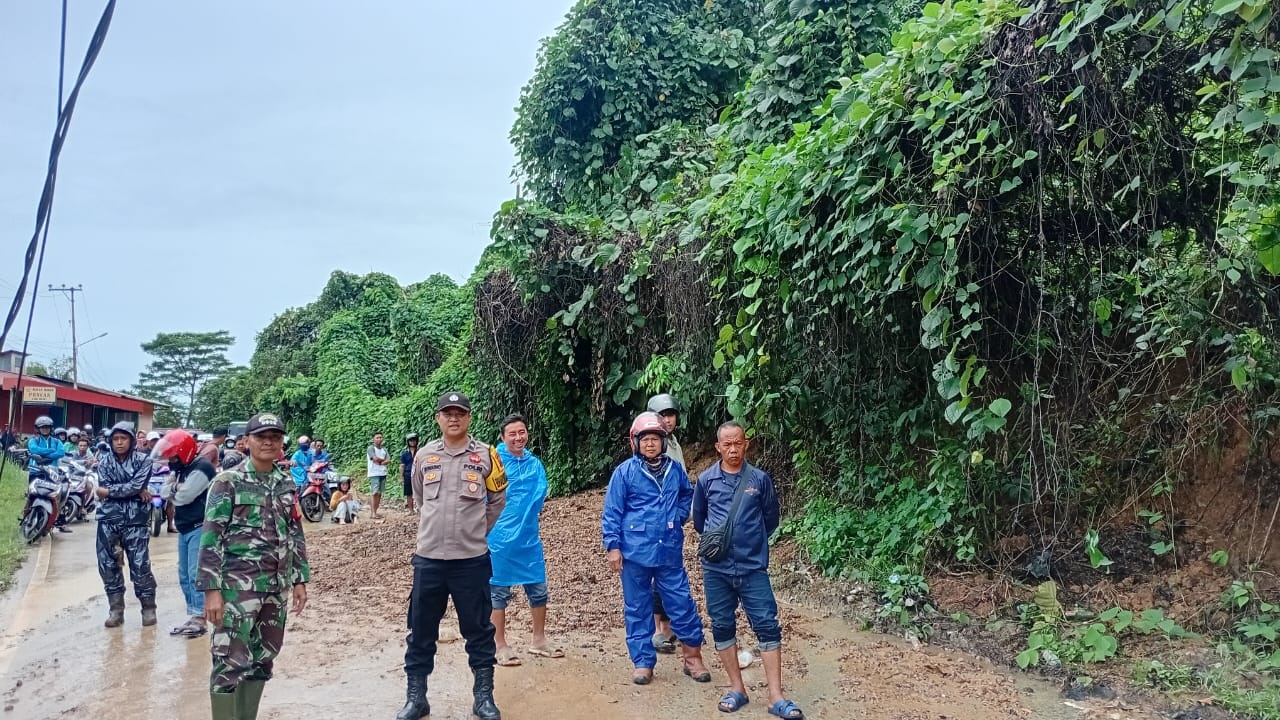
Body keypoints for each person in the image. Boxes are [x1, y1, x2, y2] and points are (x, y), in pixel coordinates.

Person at [397, 392, 507, 720]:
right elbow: (420, 498)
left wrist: (475, 531)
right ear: (438, 418)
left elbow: (497, 499)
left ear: (469, 418)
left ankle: (483, 697)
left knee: (479, 630)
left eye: (460, 413)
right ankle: (416, 698)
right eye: (448, 413)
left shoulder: (487, 454)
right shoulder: (424, 456)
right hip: (429, 559)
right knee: (421, 630)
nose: (454, 418)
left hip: (471, 560)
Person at [198, 412, 309, 720]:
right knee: (229, 661)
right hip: (236, 590)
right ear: (247, 441)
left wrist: (299, 579)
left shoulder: (285, 483)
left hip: (275, 588)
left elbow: (295, 532)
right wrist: (211, 591)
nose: (268, 442)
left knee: (263, 659)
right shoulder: (227, 482)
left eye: (275, 437)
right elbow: (211, 538)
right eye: (261, 437)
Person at [693, 421, 802, 719]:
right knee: (722, 625)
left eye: (737, 443)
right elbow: (700, 521)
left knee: (767, 625)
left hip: (753, 567)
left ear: (746, 444)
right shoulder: (706, 480)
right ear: (718, 447)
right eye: (727, 444)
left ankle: (776, 697)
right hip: (716, 569)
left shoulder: (760, 479)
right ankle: (736, 689)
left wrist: (750, 543)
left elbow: (771, 519)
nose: (733, 449)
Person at [601, 412, 710, 686]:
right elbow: (612, 511)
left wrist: (679, 517)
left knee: (681, 603)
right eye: (645, 439)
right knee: (637, 607)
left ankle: (693, 658)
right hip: (634, 552)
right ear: (635, 442)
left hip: (668, 551)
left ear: (663, 441)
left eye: (655, 439)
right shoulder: (625, 472)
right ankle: (643, 662)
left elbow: (687, 494)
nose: (650, 444)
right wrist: (613, 547)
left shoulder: (675, 470)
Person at [488, 414, 560, 667]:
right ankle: (499, 644)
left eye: (522, 432)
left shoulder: (534, 463)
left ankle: (538, 641)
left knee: (538, 589)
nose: (518, 437)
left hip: (528, 538)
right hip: (499, 539)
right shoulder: (494, 463)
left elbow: (540, 496)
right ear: (502, 437)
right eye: (512, 434)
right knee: (498, 592)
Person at [152, 430, 217, 640]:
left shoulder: (202, 468)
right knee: (184, 574)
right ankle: (194, 613)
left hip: (200, 526)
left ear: (183, 452)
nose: (170, 461)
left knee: (196, 573)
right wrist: (175, 488)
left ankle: (200, 617)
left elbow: (184, 497)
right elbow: (163, 492)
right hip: (185, 527)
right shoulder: (181, 469)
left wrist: (173, 489)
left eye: (173, 457)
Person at [95, 421, 159, 627]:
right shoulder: (104, 461)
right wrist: (132, 490)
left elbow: (134, 485)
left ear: (131, 440)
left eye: (123, 438)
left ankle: (148, 608)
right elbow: (107, 485)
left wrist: (111, 492)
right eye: (115, 439)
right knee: (108, 565)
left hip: (135, 520)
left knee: (140, 565)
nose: (119, 442)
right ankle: (116, 610)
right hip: (108, 519)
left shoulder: (143, 460)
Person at [646, 393, 685, 654]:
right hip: (653, 523)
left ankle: (669, 627)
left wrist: (682, 514)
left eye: (670, 415)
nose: (667, 420)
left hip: (672, 522)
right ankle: (657, 630)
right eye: (662, 415)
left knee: (671, 573)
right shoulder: (649, 446)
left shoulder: (673, 443)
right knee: (655, 575)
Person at [367, 431, 390, 520]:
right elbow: (374, 458)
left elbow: (389, 460)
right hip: (374, 473)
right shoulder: (371, 448)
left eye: (380, 437)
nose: (379, 439)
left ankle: (375, 512)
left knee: (379, 493)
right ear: (373, 439)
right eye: (377, 437)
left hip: (383, 473)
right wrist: (383, 461)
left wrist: (380, 462)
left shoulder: (384, 449)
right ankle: (372, 513)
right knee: (374, 493)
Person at [400, 433, 419, 513]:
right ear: (408, 442)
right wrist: (401, 477)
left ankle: (420, 508)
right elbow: (402, 466)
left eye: (414, 440)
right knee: (409, 493)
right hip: (408, 474)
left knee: (420, 491)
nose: (412, 442)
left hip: (418, 474)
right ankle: (411, 510)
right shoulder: (404, 453)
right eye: (410, 440)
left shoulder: (420, 452)